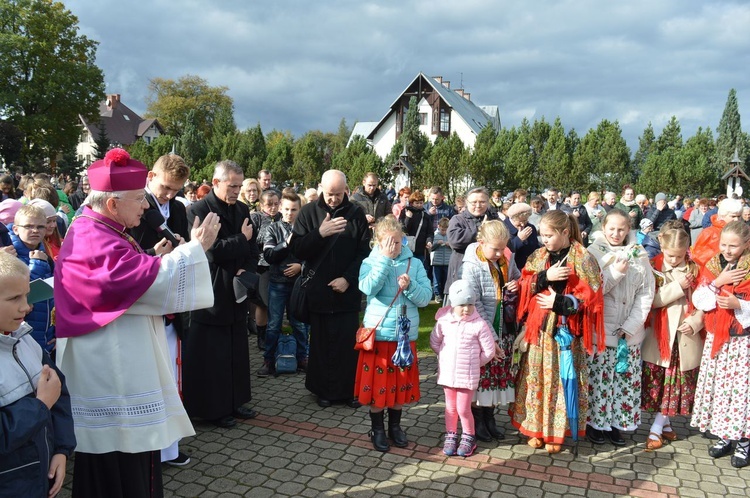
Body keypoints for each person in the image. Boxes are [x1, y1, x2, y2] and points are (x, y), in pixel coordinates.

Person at [54, 148, 219, 497]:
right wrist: (195, 249)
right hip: (108, 368)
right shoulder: (91, 235)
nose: (145, 206)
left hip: (114, 358)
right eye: (138, 199)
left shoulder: (100, 227)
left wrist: (153, 257)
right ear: (113, 204)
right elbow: (132, 282)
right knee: (118, 463)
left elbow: (128, 274)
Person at [512, 210, 604, 454]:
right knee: (536, 377)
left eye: (549, 235)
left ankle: (556, 432)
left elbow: (592, 296)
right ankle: (535, 427)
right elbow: (524, 285)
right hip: (539, 330)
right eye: (542, 235)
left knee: (561, 380)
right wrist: (544, 277)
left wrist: (561, 302)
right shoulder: (538, 255)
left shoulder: (583, 258)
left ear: (565, 232)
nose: (544, 240)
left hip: (567, 333)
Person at [183, 160, 260, 429]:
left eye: (240, 185)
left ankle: (236, 400)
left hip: (237, 289)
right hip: (211, 289)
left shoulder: (242, 209)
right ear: (216, 183)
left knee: (237, 350)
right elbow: (209, 249)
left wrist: (246, 271)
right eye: (232, 186)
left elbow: (254, 248)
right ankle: (213, 409)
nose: (237, 191)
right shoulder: (198, 209)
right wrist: (241, 239)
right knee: (212, 354)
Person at [129, 153, 192, 467]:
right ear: (150, 176)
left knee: (171, 375)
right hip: (142, 303)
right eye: (166, 187)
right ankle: (150, 448)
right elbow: (128, 251)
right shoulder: (134, 203)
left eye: (176, 190)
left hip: (170, 302)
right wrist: (155, 253)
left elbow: (185, 245)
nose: (169, 195)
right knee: (148, 379)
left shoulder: (179, 209)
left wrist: (182, 247)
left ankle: (170, 447)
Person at [289, 170, 371, 408]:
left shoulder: (356, 214)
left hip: (347, 291)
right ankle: (322, 390)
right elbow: (298, 249)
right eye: (329, 193)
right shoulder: (307, 212)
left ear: (346, 189)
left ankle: (349, 391)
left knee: (347, 344)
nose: (334, 199)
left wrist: (347, 278)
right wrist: (320, 234)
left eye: (338, 193)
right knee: (322, 344)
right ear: (320, 188)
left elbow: (364, 254)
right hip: (319, 290)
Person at [0, 252, 75, 498]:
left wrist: (61, 450)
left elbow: (58, 393)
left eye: (27, 295)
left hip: (39, 476)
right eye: (14, 298)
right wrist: (41, 404)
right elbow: (48, 399)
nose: (27, 306)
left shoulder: (24, 339)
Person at [355, 216, 431, 452]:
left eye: (397, 242)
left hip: (403, 338)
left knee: (399, 387)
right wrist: (385, 262)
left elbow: (426, 298)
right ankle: (377, 429)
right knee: (378, 387)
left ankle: (395, 428)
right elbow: (367, 288)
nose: (393, 247)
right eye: (388, 243)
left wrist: (410, 287)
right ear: (378, 242)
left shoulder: (415, 264)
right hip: (378, 338)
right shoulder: (370, 262)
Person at [586, 209, 655, 447]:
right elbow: (591, 291)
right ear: (603, 228)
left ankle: (617, 424)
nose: (616, 233)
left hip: (629, 331)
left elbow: (646, 293)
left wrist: (633, 324)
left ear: (628, 230)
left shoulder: (640, 254)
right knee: (601, 381)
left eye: (621, 229)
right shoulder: (594, 253)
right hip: (602, 331)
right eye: (611, 229)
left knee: (623, 381)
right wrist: (616, 272)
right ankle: (596, 423)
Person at [691, 221, 750, 468]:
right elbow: (700, 299)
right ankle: (726, 436)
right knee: (721, 389)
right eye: (724, 244)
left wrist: (740, 306)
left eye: (733, 246)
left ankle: (745, 443)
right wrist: (719, 281)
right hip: (718, 338)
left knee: (741, 393)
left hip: (742, 341)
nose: (727, 250)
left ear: (747, 244)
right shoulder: (715, 264)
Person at [641, 228, 704, 451]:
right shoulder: (653, 266)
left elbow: (706, 303)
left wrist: (696, 322)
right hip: (661, 337)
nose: (675, 260)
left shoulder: (696, 268)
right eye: (671, 256)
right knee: (663, 385)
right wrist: (678, 287)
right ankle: (664, 424)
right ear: (662, 248)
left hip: (685, 337)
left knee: (675, 386)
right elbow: (650, 300)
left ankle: (656, 429)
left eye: (680, 255)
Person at [459, 220, 520, 442]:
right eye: (494, 248)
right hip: (481, 331)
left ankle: (490, 417)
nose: (498, 253)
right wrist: (490, 339)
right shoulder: (471, 266)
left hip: (504, 326)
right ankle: (477, 420)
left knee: (496, 377)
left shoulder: (506, 258)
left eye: (502, 248)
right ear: (481, 242)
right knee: (480, 377)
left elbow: (517, 277)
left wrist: (517, 284)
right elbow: (475, 305)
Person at [431, 279, 496, 457]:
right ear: (453, 303)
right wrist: (444, 358)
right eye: (462, 305)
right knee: (450, 408)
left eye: (470, 304)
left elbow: (489, 351)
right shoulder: (444, 321)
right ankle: (451, 434)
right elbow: (435, 342)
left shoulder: (479, 324)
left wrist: (474, 363)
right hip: (448, 375)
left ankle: (469, 435)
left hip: (467, 376)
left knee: (463, 409)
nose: (466, 309)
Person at [257, 191, 309, 376]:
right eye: (286, 209)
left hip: (298, 284)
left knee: (300, 324)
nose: (289, 213)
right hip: (277, 283)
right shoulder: (273, 229)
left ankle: (303, 358)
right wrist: (286, 243)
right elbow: (269, 256)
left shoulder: (306, 229)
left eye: (294, 209)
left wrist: (300, 266)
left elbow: (314, 256)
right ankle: (268, 361)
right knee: (273, 323)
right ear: (280, 208)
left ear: (299, 210)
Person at [10, 205, 56, 357]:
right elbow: (25, 292)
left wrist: (54, 333)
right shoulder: (10, 255)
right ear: (16, 229)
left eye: (40, 226)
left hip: (45, 337)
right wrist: (37, 263)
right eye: (29, 226)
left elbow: (51, 298)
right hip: (21, 338)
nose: (35, 230)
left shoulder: (44, 253)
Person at [446, 187, 497, 292]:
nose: (478, 206)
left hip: (489, 277)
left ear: (488, 202)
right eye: (474, 202)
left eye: (482, 202)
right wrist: (481, 230)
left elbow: (506, 243)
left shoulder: (495, 220)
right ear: (467, 202)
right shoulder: (458, 219)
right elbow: (455, 241)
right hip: (462, 274)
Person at [250, 189, 282, 350]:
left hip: (279, 265)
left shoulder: (282, 218)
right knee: (263, 303)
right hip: (261, 266)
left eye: (276, 204)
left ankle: (277, 335)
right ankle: (262, 336)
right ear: (261, 204)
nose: (273, 207)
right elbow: (252, 241)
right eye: (269, 204)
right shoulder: (256, 218)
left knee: (278, 304)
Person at [692, 198, 743, 267]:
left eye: (739, 216)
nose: (737, 219)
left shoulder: (743, 232)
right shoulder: (709, 233)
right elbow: (699, 257)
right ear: (722, 215)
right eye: (733, 216)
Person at [399, 190, 433, 266]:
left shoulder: (425, 216)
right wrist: (408, 218)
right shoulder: (404, 212)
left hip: (420, 249)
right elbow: (403, 230)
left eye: (421, 203)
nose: (419, 205)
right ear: (412, 203)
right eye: (416, 203)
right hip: (407, 248)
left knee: (419, 269)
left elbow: (429, 232)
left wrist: (429, 241)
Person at [504, 202, 540, 270]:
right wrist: (519, 239)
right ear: (512, 218)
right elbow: (505, 252)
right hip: (512, 269)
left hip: (530, 268)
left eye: (525, 220)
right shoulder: (503, 228)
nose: (523, 224)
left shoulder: (530, 227)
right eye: (520, 221)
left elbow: (536, 247)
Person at [431, 217, 452, 302]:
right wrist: (437, 244)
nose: (443, 232)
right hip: (437, 262)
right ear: (438, 227)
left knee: (446, 279)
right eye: (442, 230)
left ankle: (445, 294)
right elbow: (431, 248)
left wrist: (449, 244)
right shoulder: (435, 235)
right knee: (436, 280)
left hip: (447, 262)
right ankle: (437, 294)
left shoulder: (450, 236)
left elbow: (455, 247)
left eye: (445, 230)